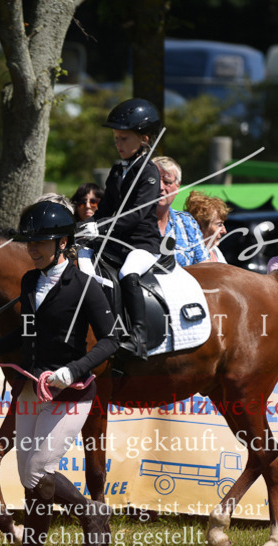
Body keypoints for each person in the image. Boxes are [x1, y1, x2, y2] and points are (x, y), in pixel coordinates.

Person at [0, 200, 117, 546]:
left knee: (37, 472)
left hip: (73, 390)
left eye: (41, 242)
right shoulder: (31, 280)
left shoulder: (86, 287)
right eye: (30, 242)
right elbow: (26, 329)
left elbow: (111, 340)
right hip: (32, 388)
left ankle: (79, 519)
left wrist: (73, 368)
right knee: (31, 481)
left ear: (63, 243)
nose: (33, 248)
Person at [77, 98, 163, 359]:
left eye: (124, 138)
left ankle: (138, 336)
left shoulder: (150, 172)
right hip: (115, 240)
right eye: (116, 137)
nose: (118, 143)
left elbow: (136, 214)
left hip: (142, 243)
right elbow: (106, 209)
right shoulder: (117, 170)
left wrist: (101, 228)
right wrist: (88, 227)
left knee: (128, 272)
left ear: (144, 139)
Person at [152, 157, 209, 267]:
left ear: (177, 186)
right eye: (154, 180)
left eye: (167, 182)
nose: (160, 187)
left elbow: (205, 268)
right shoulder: (132, 221)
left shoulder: (187, 223)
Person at [184, 191, 229, 263]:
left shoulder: (215, 251)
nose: (224, 231)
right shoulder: (186, 255)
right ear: (200, 226)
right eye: (219, 225)